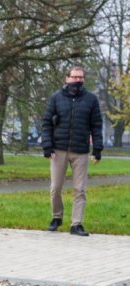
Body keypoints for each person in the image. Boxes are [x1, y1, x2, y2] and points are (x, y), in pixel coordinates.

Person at [41, 66, 103, 236]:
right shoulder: (56, 98)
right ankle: (56, 217)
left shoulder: (91, 99)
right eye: (75, 77)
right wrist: (47, 147)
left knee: (80, 189)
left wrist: (97, 149)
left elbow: (96, 126)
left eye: (81, 77)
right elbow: (46, 123)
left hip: (81, 151)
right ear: (67, 78)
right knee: (55, 188)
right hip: (58, 150)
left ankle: (76, 224)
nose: (78, 80)